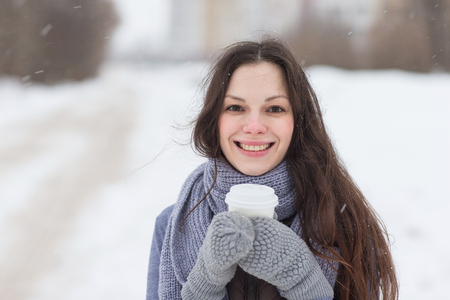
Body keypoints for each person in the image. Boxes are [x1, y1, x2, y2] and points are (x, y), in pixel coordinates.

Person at [146, 38, 399, 300]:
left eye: (274, 108)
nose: (254, 126)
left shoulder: (343, 223)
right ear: (215, 119)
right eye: (235, 107)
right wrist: (205, 285)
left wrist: (305, 283)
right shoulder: (173, 227)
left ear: (298, 121)